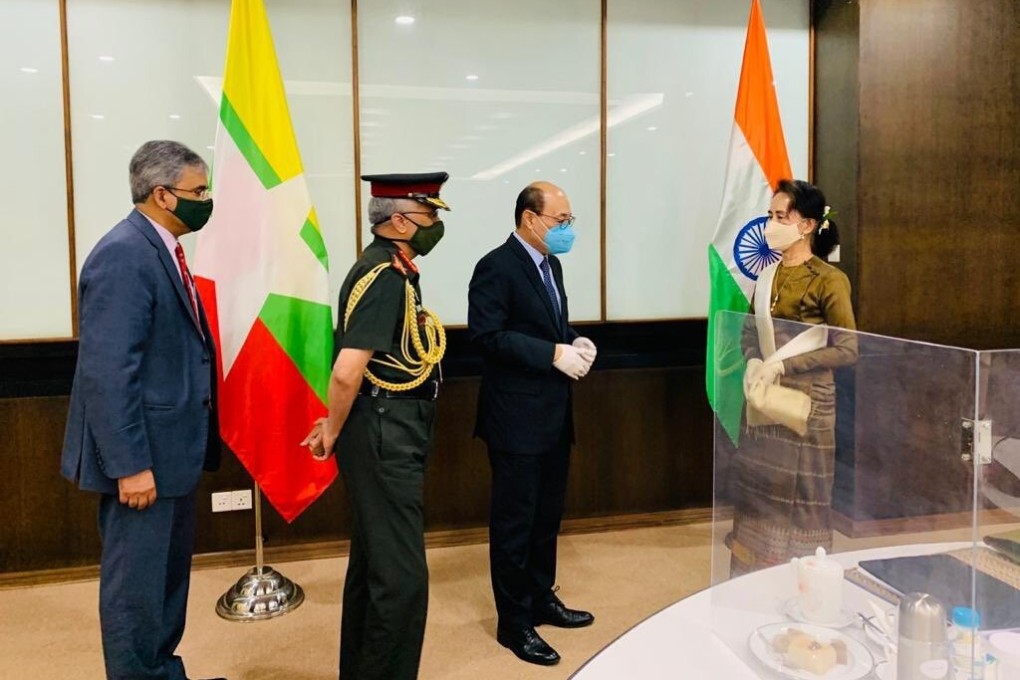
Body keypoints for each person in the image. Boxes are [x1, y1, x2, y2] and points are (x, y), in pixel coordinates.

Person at [60, 140, 224, 680]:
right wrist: (129, 465)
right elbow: (107, 372)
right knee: (136, 592)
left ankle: (162, 672)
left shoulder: (164, 249)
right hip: (142, 462)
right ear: (162, 195)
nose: (207, 200)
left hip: (171, 455)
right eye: (198, 192)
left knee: (165, 586)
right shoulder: (125, 253)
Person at [302, 172, 450, 680]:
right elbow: (347, 370)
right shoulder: (385, 276)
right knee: (401, 578)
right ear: (401, 221)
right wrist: (334, 428)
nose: (435, 225)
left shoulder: (393, 268)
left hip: (387, 423)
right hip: (384, 429)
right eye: (430, 215)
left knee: (373, 568)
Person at [467, 181, 597, 667]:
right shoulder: (495, 267)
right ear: (529, 219)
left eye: (569, 220)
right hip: (515, 420)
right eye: (560, 221)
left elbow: (550, 327)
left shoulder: (551, 264)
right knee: (515, 525)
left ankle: (542, 598)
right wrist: (551, 354)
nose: (567, 229)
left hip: (554, 415)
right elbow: (488, 336)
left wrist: (575, 342)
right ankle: (514, 622)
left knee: (547, 518)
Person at [729, 178, 858, 577]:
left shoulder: (828, 280)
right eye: (769, 215)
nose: (770, 224)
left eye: (780, 216)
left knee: (803, 498)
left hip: (809, 405)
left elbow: (848, 348)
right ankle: (751, 578)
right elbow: (749, 332)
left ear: (806, 225)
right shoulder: (766, 275)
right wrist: (753, 360)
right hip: (765, 399)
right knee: (759, 489)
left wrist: (784, 365)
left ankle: (804, 583)